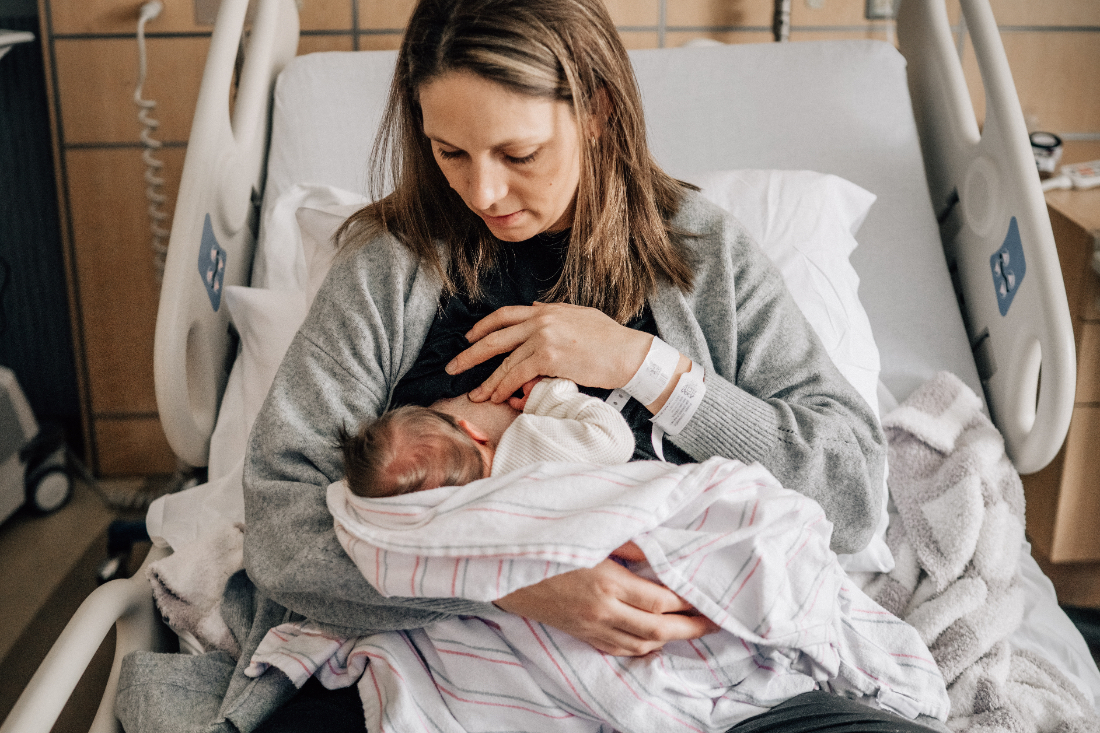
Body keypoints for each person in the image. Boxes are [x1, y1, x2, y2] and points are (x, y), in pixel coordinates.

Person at [117, 0, 913, 730]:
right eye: (449, 152)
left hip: (717, 686)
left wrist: (647, 367)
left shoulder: (702, 256)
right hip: (425, 673)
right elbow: (284, 529)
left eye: (518, 152)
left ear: (598, 111)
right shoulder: (390, 269)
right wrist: (510, 579)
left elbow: (850, 495)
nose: (483, 191)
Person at [338, 377, 634, 498]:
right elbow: (615, 441)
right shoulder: (533, 440)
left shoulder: (478, 530)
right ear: (472, 430)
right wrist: (550, 397)